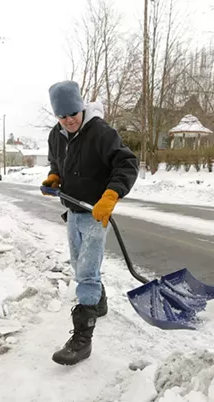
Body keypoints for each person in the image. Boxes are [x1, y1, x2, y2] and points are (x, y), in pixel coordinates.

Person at [41, 80, 138, 366]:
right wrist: (54, 178)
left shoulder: (101, 133)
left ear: (81, 107)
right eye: (62, 116)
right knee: (80, 264)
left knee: (85, 272)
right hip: (73, 210)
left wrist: (111, 195)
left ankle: (82, 338)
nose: (69, 120)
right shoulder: (55, 135)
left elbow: (127, 164)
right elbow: (56, 163)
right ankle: (99, 302)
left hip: (96, 213)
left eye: (73, 113)